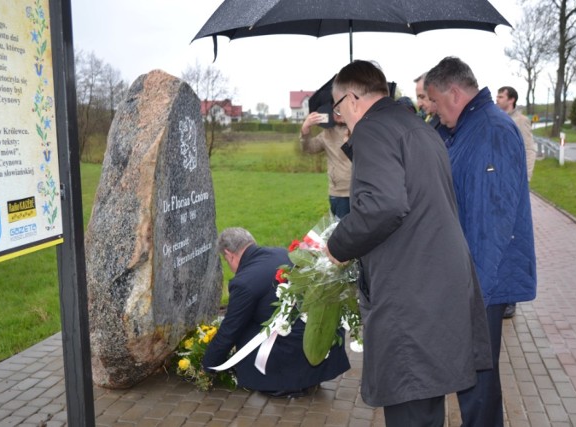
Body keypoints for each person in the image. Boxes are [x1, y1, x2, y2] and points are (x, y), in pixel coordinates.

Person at [324, 60, 492, 427]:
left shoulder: (373, 130)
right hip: (437, 287)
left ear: (352, 99)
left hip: (412, 293)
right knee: (424, 406)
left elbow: (384, 205)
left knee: (411, 409)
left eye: (338, 108)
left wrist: (338, 245)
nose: (339, 119)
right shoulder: (416, 127)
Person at [425, 57, 537, 427]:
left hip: (482, 281)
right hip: (471, 276)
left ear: (455, 93)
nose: (436, 113)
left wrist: (476, 292)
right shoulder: (467, 127)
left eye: (436, 103)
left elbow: (493, 222)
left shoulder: (491, 130)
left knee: (477, 378)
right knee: (474, 374)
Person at [202, 227, 350, 397]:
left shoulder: (243, 282)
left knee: (246, 332)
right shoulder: (282, 253)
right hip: (320, 334)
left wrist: (208, 365)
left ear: (229, 254)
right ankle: (308, 378)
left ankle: (284, 384)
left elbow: (230, 329)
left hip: (294, 347)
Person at [496, 85, 537, 319]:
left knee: (513, 242)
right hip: (501, 188)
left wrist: (524, 181)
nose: (497, 99)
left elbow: (529, 150)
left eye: (501, 96)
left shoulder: (520, 121)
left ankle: (511, 300)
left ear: (511, 100)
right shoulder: (497, 118)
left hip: (514, 188)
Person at [301, 81, 352, 219]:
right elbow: (308, 148)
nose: (340, 112)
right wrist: (305, 130)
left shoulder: (360, 128)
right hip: (339, 194)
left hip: (361, 192)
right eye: (336, 109)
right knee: (341, 233)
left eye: (343, 108)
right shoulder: (326, 134)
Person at [414, 72, 450, 140]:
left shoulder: (450, 127)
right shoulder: (431, 121)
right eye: (417, 98)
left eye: (422, 97)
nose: (418, 104)